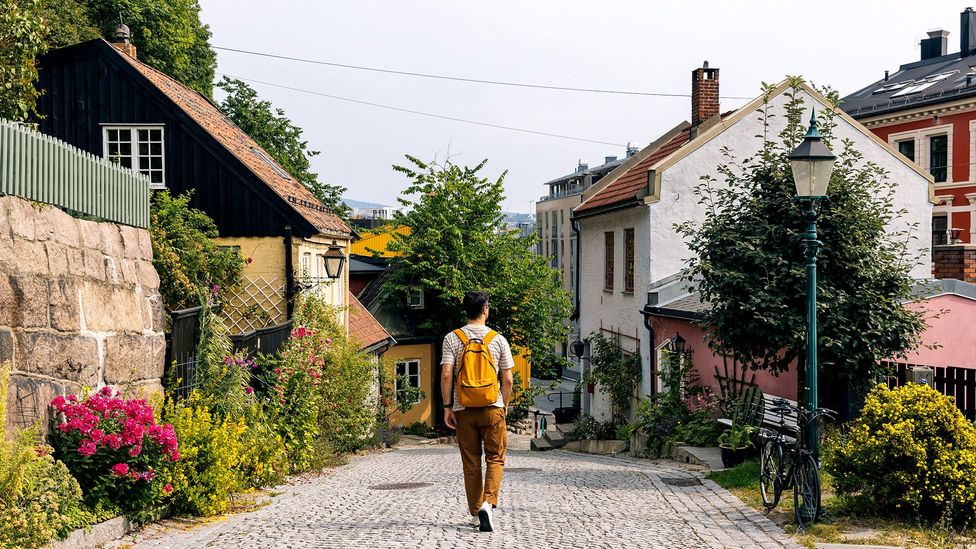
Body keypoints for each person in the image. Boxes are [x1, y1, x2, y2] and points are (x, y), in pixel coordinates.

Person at [441, 290, 514, 532]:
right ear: (485, 310)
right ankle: (487, 503)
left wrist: (447, 407)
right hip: (492, 407)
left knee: (471, 462)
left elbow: (447, 374)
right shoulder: (498, 339)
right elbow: (508, 378)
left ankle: (475, 514)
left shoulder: (452, 338)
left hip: (463, 408)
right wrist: (503, 404)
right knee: (495, 458)